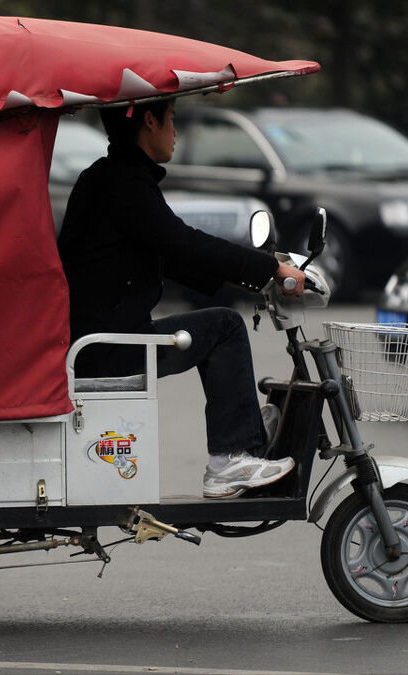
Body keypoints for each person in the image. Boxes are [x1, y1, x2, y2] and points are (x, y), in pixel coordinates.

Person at [57, 100, 307, 499]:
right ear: (150, 120)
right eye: (171, 119)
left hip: (104, 338)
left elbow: (163, 254)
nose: (175, 131)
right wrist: (269, 269)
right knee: (224, 328)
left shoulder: (109, 178)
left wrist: (240, 280)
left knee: (220, 319)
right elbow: (180, 241)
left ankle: (245, 437)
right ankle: (230, 458)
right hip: (108, 347)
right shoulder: (124, 184)